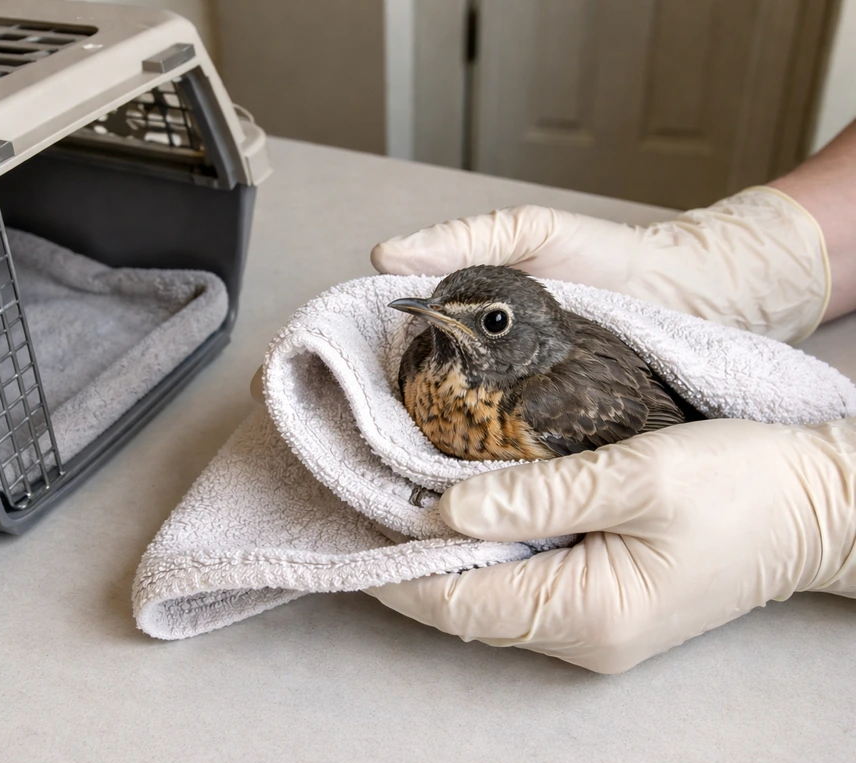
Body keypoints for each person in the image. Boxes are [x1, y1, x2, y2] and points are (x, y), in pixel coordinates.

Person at [362, 119, 856, 674]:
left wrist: (816, 507)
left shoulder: (551, 401)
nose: (432, 327)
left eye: (493, 322)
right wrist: (757, 254)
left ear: (528, 339)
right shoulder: (425, 360)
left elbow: (662, 436)